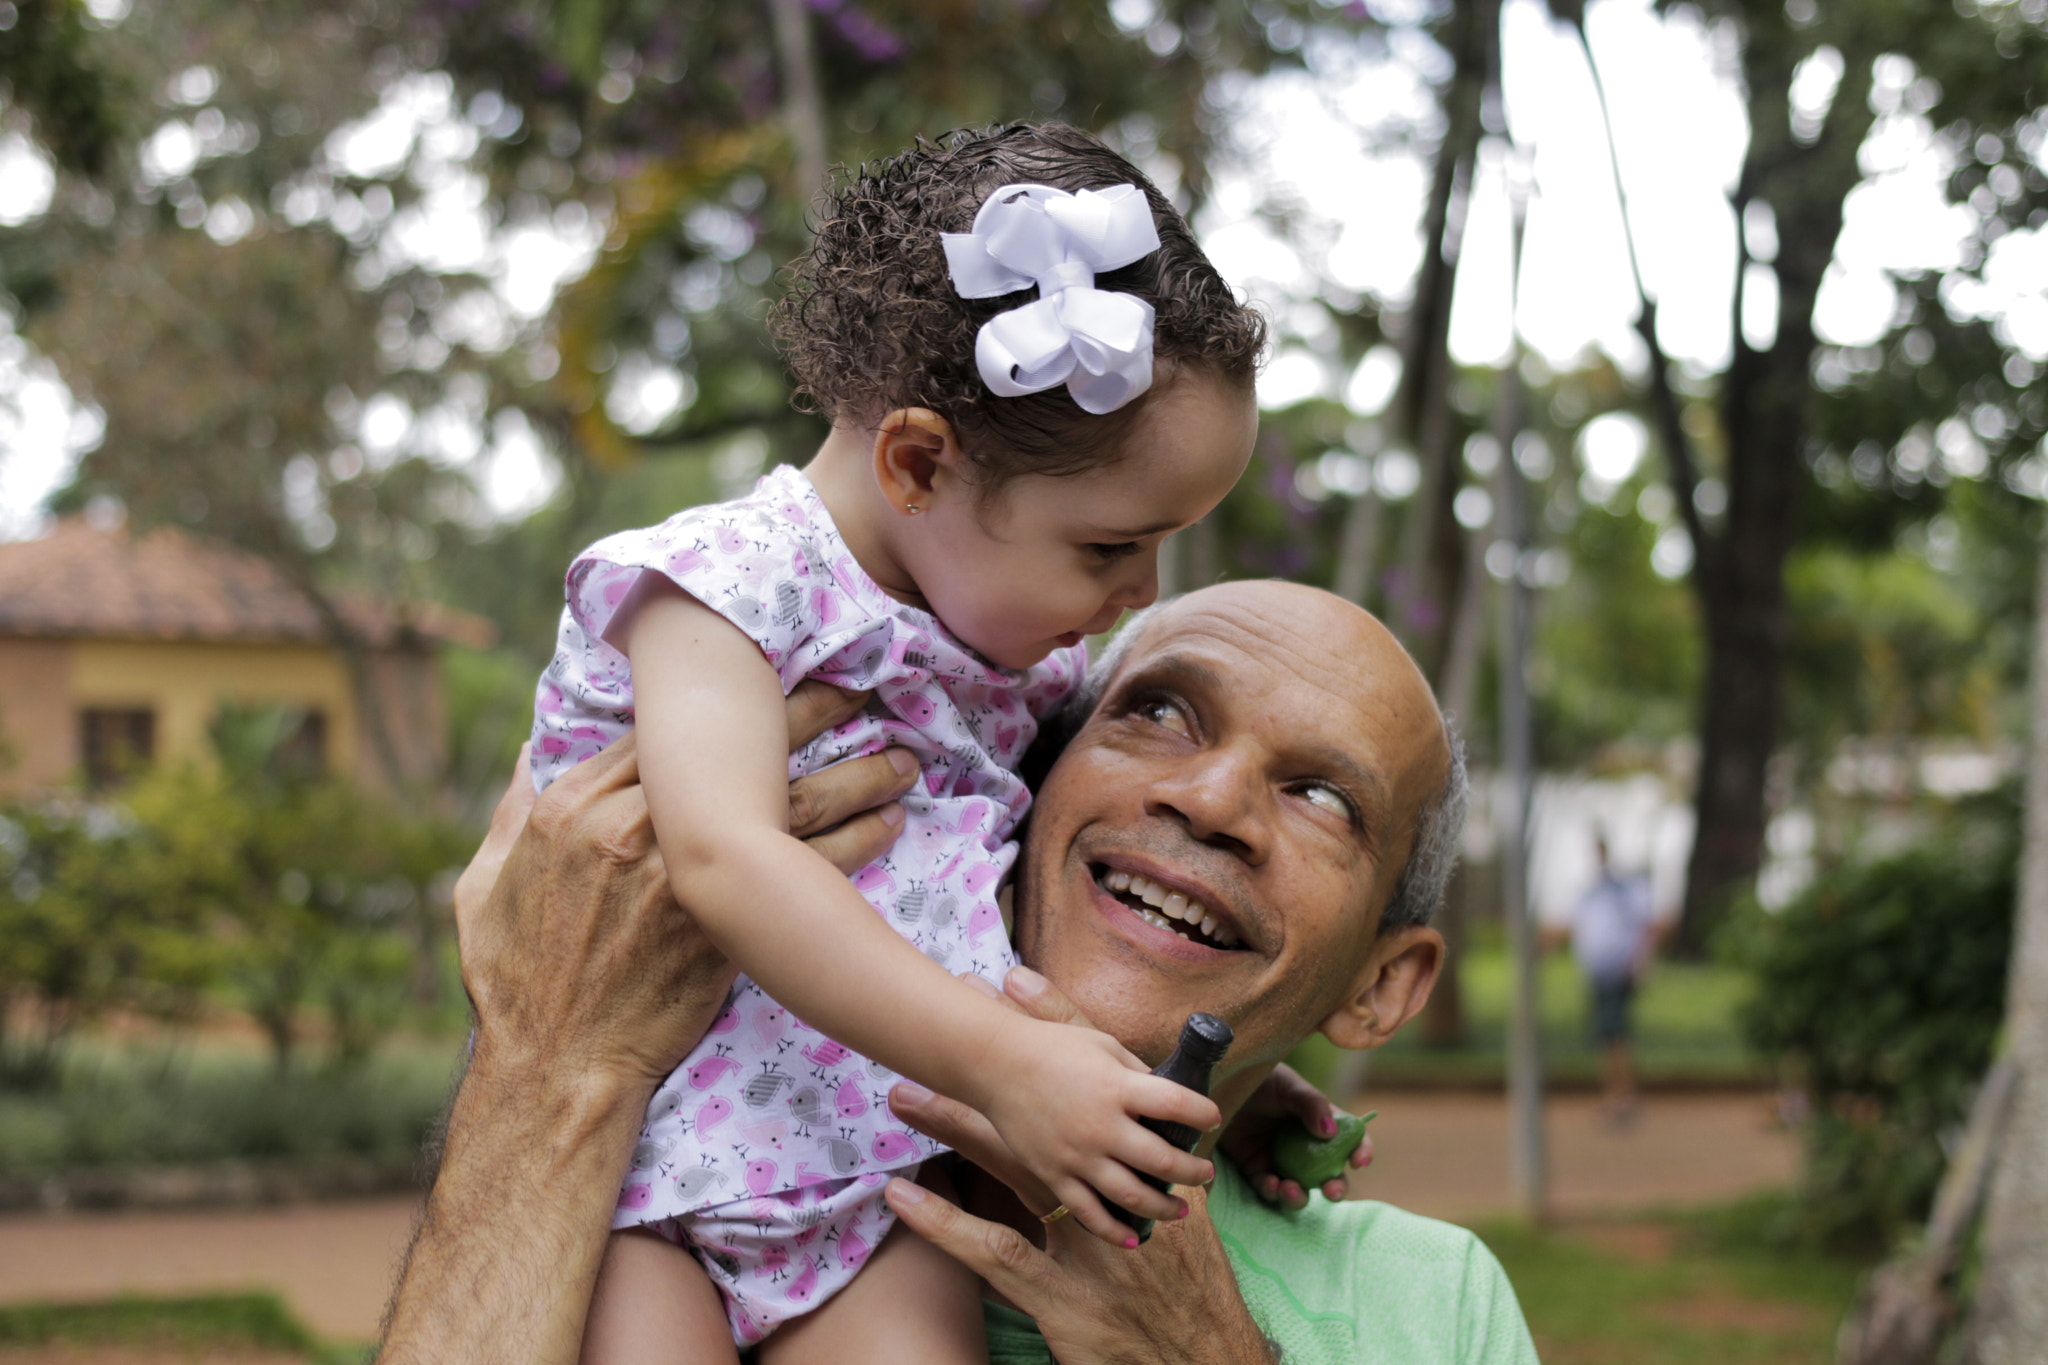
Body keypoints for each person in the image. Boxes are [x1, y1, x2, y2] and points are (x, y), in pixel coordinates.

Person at [379, 581, 1539, 1365]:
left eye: (1322, 797)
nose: (1210, 800)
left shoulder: (1429, 1307)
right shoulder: (666, 1179)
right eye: (1160, 712)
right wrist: (546, 1061)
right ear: (1017, 782)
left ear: (1383, 984)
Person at [529, 124, 1262, 1361]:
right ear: (917, 463)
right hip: (642, 1182)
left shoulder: (1020, 656)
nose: (1139, 587)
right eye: (1106, 546)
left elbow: (1035, 903)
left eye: (1160, 545)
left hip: (875, 1192)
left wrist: (1213, 1083)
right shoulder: (724, 585)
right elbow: (722, 860)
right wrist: (1007, 1069)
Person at [1562, 835, 1665, 1124]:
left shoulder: (1625, 889)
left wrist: (1640, 963)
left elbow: (1647, 927)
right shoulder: (1592, 891)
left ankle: (1622, 1097)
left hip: (1618, 971)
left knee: (1615, 1035)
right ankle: (1616, 1095)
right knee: (1608, 1036)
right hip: (1599, 972)